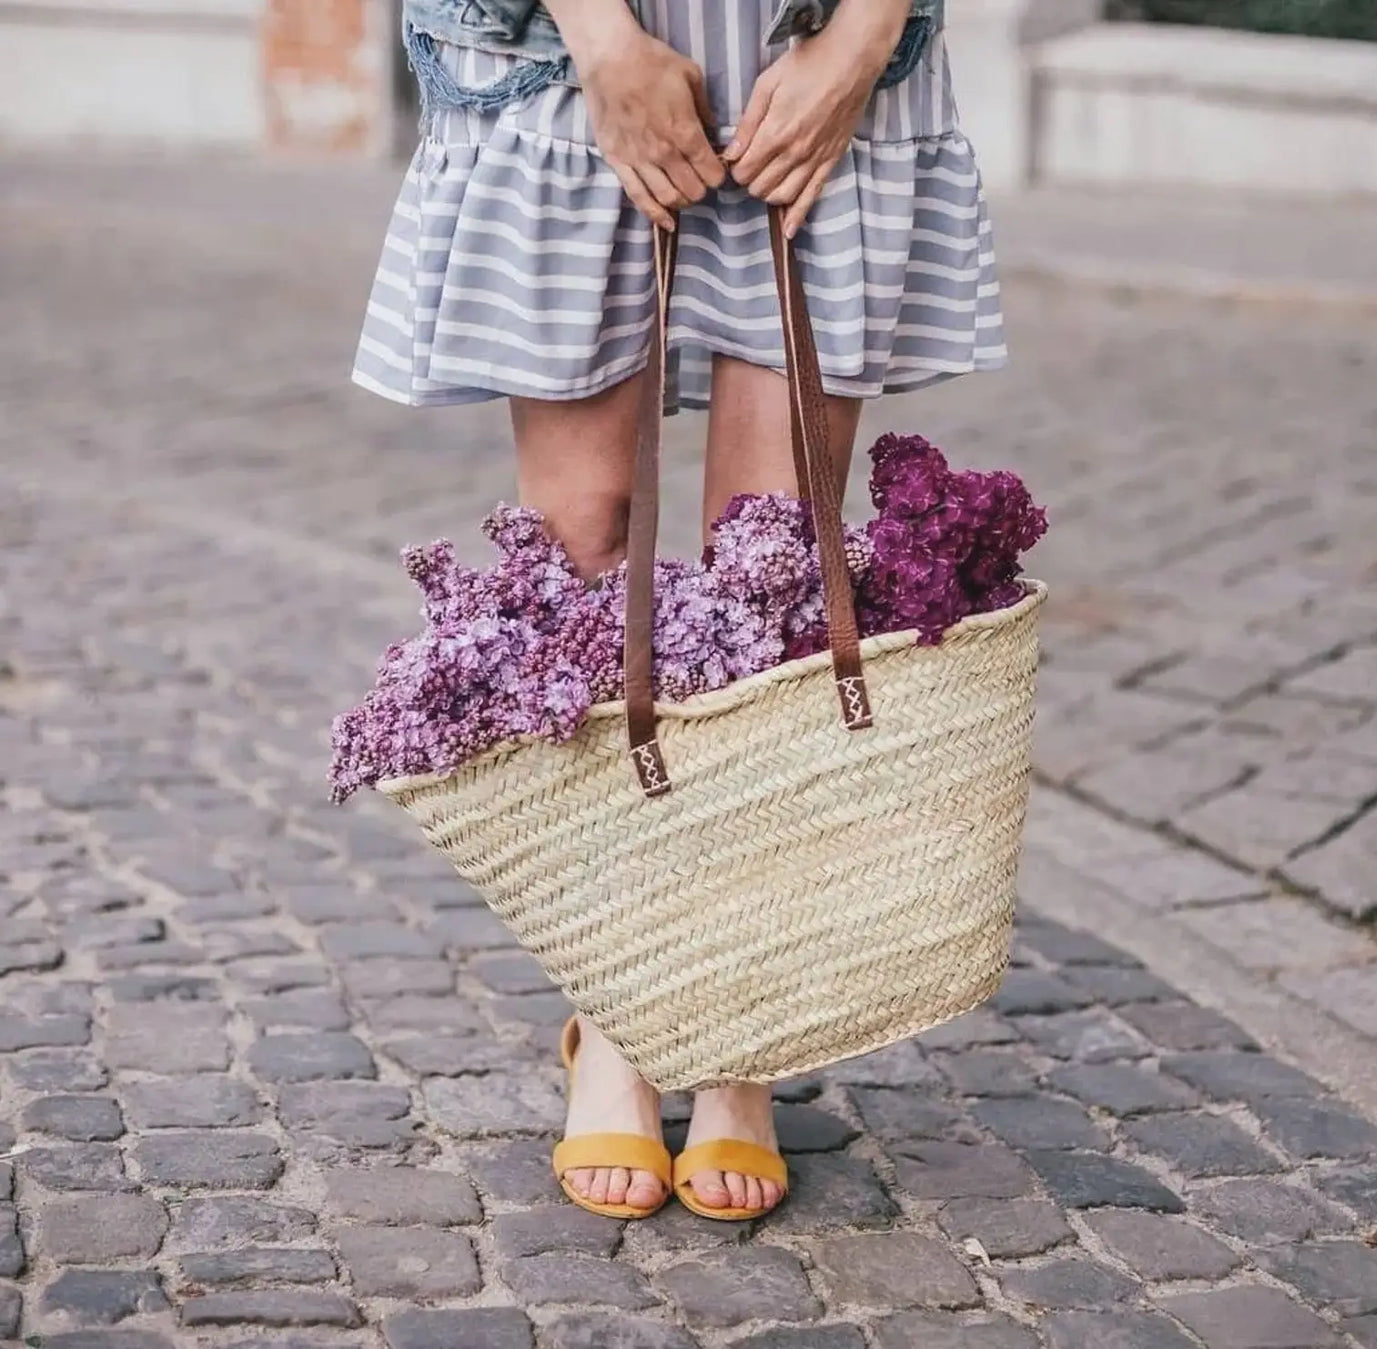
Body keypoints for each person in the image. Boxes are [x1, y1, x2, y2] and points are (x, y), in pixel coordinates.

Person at [354, 0, 1005, 1220]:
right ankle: (618, 1008)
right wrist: (601, 40)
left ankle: (731, 1041)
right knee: (584, 544)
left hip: (808, 56)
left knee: (772, 576)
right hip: (568, 51)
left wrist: (859, 43)